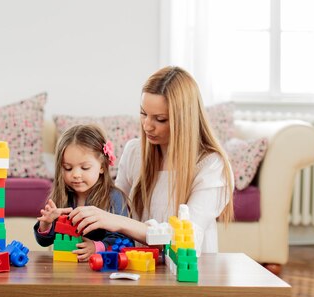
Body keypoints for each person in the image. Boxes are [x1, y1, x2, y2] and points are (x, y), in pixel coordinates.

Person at [69, 66, 235, 254]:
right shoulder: (134, 152)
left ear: (184, 120)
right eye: (143, 113)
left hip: (187, 275)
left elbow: (185, 240)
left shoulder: (212, 165)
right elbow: (115, 211)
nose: (147, 125)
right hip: (139, 270)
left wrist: (118, 222)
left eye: (160, 119)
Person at [33, 124, 132, 261]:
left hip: (102, 271)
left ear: (102, 167)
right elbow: (44, 242)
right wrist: (46, 224)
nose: (76, 174)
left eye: (85, 168)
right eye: (67, 168)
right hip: (67, 269)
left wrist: (97, 247)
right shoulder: (62, 197)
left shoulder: (114, 197)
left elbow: (123, 239)